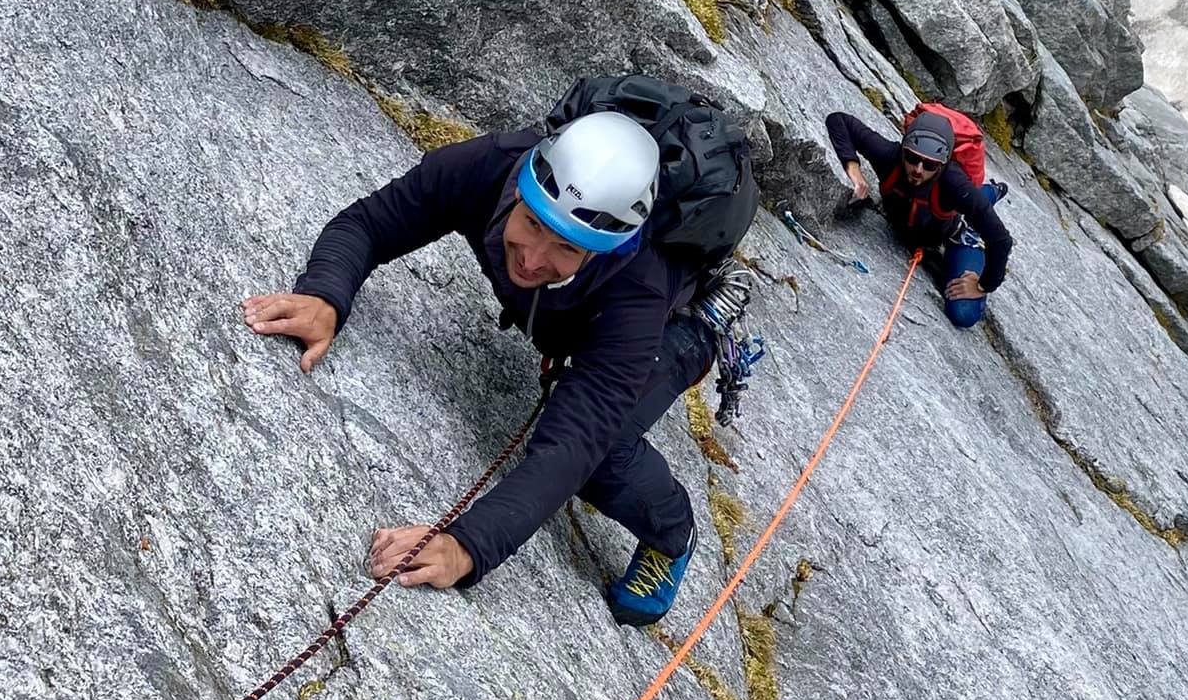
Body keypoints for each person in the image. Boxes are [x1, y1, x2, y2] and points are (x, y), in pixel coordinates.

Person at [241, 109, 753, 627]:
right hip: (585, 304)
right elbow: (371, 223)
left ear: (605, 249)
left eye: (566, 247)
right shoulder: (490, 165)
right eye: (532, 222)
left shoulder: (637, 295)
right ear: (526, 184)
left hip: (681, 323)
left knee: (605, 453)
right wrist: (326, 294)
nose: (531, 258)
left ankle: (672, 529)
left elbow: (571, 447)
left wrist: (467, 545)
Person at [823, 105, 1012, 326]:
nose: (918, 169)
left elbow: (1000, 240)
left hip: (953, 235)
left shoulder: (954, 183)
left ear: (942, 165)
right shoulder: (890, 157)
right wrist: (854, 171)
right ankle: (987, 194)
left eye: (930, 164)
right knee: (973, 201)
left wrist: (983, 285)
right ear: (904, 150)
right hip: (919, 227)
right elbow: (839, 120)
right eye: (912, 158)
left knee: (964, 314)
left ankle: (990, 192)